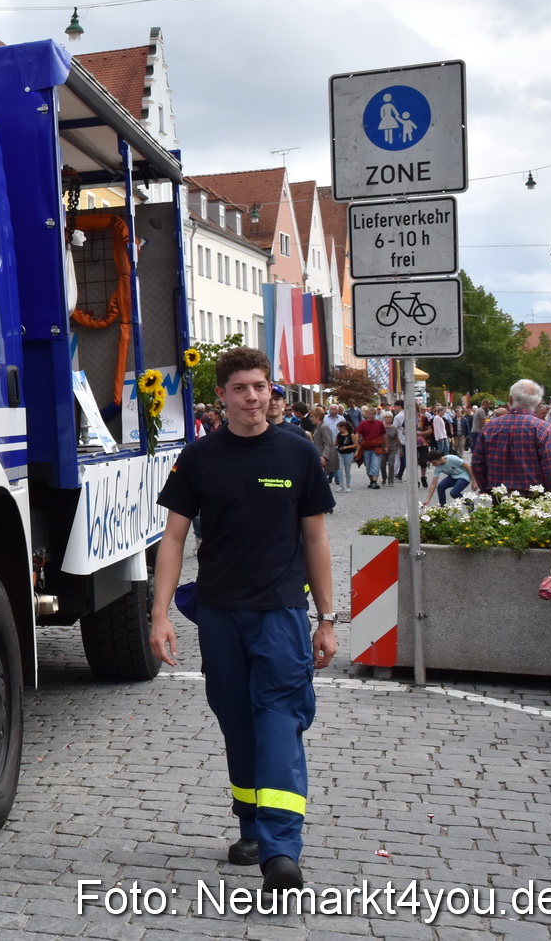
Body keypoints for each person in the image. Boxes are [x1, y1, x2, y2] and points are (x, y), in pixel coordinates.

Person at [149, 345, 337, 892]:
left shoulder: (297, 453)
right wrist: (160, 615)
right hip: (219, 613)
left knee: (278, 717)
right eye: (241, 388)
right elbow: (174, 539)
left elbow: (317, 539)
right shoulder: (200, 458)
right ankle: (251, 825)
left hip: (279, 612)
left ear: (270, 391)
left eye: (260, 387)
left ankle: (281, 848)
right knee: (235, 718)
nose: (253, 397)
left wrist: (326, 618)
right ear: (223, 395)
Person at [471, 379, 551, 495]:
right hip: (533, 497)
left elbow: (478, 464)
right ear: (538, 403)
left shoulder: (489, 427)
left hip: (500, 494)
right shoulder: (543, 429)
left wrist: (488, 489)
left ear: (510, 399)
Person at [310, 409, 341, 496]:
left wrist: (324, 457)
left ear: (318, 417)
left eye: (312, 417)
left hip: (324, 458)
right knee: (321, 482)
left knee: (321, 481)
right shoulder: (318, 427)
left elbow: (328, 443)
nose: (311, 419)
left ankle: (326, 503)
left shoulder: (324, 427)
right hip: (319, 456)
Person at [356, 410, 387, 489]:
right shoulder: (363, 423)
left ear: (375, 415)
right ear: (366, 414)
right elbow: (357, 434)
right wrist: (356, 445)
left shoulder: (379, 423)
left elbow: (384, 435)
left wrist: (386, 445)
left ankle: (374, 482)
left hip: (377, 448)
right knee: (368, 466)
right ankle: (371, 481)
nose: (371, 415)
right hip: (366, 448)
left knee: (375, 465)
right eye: (369, 414)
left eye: (372, 414)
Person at [333, 419, 357, 492]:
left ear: (344, 427)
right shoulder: (339, 435)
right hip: (340, 453)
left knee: (347, 470)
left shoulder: (351, 435)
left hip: (349, 454)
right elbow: (335, 443)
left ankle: (348, 485)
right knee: (339, 469)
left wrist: (346, 447)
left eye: (339, 427)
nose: (338, 429)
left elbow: (355, 445)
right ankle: (341, 485)